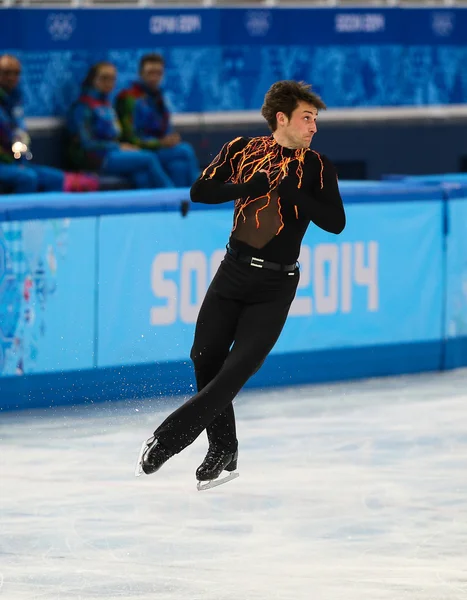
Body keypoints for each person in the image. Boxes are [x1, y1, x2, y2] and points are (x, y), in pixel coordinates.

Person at [136, 80, 346, 489]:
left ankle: (167, 440)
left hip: (276, 284)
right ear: (281, 118)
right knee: (204, 357)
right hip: (232, 271)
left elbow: (336, 222)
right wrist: (247, 187)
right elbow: (201, 190)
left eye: (316, 120)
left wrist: (294, 194)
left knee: (235, 370)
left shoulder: (318, 166)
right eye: (307, 118)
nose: (313, 127)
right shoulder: (241, 149)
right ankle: (224, 446)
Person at [67, 62, 173, 189]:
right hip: (96, 159)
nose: (108, 82)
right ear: (93, 79)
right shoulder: (83, 107)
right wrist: (118, 146)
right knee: (149, 158)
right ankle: (173, 196)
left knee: (141, 176)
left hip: (114, 154)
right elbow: (87, 143)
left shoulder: (106, 104)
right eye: (104, 78)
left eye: (112, 79)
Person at [0, 54, 97, 194]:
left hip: (15, 162)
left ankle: (50, 216)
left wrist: (19, 155)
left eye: (16, 73)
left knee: (56, 179)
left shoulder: (16, 100)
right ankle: (25, 216)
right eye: (6, 72)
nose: (11, 77)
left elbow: (19, 135)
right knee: (27, 178)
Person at [115, 53, 199, 187]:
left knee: (179, 167)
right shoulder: (129, 99)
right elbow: (129, 138)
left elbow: (165, 130)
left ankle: (185, 204)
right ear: (140, 74)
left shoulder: (158, 98)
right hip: (140, 150)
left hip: (159, 150)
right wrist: (160, 143)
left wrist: (171, 139)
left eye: (158, 73)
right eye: (150, 73)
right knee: (185, 150)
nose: (154, 78)